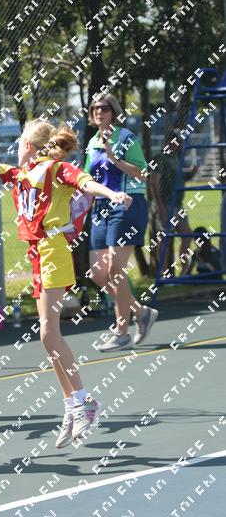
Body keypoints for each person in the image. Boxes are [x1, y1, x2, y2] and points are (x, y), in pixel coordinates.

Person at [0, 102, 132, 449]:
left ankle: (85, 401)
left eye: (19, 142)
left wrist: (112, 193)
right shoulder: (21, 175)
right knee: (48, 340)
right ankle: (72, 406)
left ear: (28, 146)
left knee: (49, 334)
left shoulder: (54, 169)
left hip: (53, 252)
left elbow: (86, 183)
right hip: (38, 256)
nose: (16, 149)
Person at [84, 93, 158, 352]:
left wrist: (114, 158)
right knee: (97, 273)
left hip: (127, 205)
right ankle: (141, 312)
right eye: (95, 108)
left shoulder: (126, 138)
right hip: (100, 207)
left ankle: (121, 332)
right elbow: (88, 179)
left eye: (104, 108)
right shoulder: (92, 141)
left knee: (115, 269)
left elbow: (144, 173)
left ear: (113, 112)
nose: (98, 111)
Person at [150, 131, 199, 274]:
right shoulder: (159, 158)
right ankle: (163, 274)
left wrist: (191, 173)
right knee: (164, 239)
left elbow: (179, 179)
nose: (180, 144)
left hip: (177, 205)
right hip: (165, 204)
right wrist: (160, 207)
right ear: (169, 141)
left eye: (180, 141)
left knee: (186, 234)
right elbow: (154, 182)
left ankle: (184, 272)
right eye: (177, 141)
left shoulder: (177, 159)